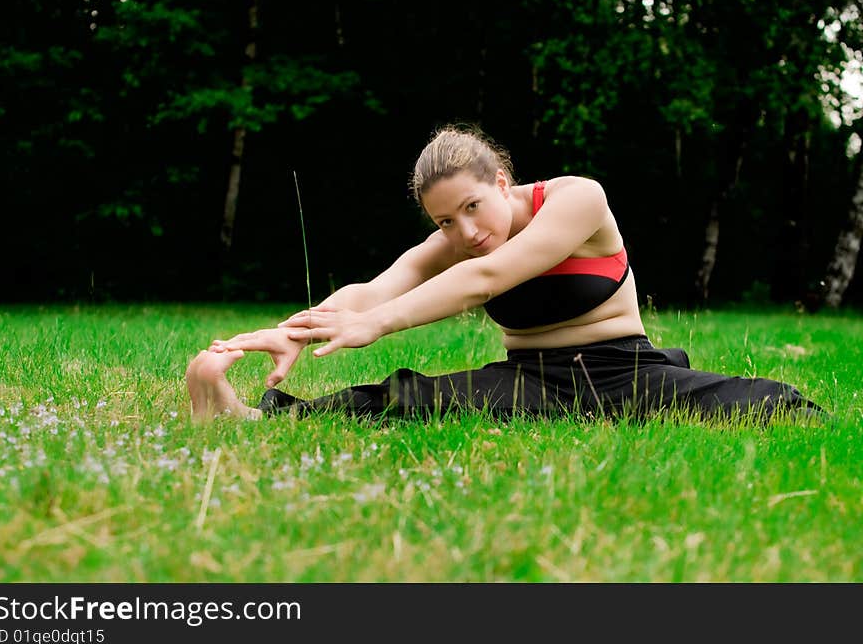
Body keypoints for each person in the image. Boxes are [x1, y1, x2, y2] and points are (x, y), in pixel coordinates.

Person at [185, 125, 822, 423]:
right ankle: (255, 417)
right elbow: (375, 288)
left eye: (471, 206)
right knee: (406, 399)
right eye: (444, 223)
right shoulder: (457, 239)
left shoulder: (578, 199)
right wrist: (286, 333)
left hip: (625, 370)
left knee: (775, 407)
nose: (464, 232)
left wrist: (375, 325)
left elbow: (488, 278)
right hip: (530, 381)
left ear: (500, 181)